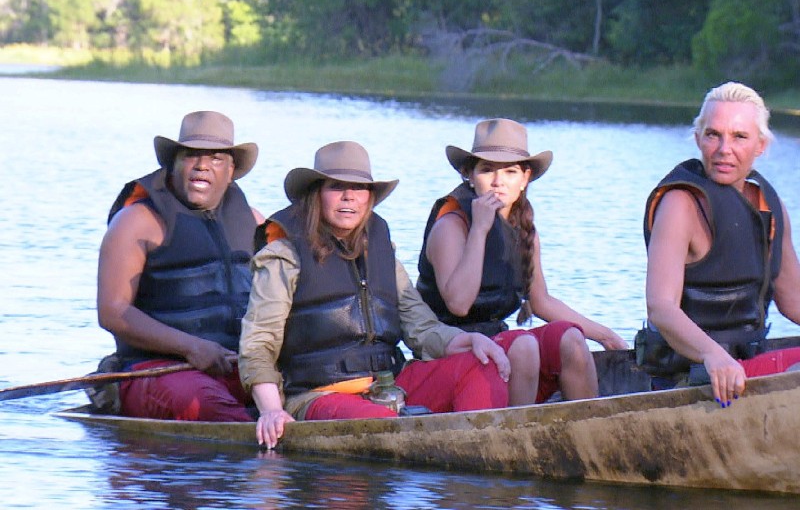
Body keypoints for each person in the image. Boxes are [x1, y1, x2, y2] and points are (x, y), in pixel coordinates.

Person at [238, 141, 512, 448]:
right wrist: (272, 410)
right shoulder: (283, 254)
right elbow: (257, 343)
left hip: (388, 388)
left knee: (481, 365)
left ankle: (477, 454)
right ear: (316, 193)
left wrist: (467, 340)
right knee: (380, 424)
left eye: (359, 188)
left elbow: (421, 328)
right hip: (319, 396)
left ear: (370, 197)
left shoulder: (381, 249)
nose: (349, 197)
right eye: (336, 186)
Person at [416, 118, 628, 406]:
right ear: (469, 175)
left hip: (497, 345)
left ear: (525, 178)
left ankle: (588, 432)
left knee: (570, 338)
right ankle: (518, 439)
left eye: (510, 171)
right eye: (487, 170)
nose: (498, 181)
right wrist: (480, 229)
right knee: (524, 345)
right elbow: (459, 303)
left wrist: (605, 336)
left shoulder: (524, 228)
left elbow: (542, 303)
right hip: (450, 352)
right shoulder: (452, 225)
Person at [97, 110, 264, 421]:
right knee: (205, 404)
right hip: (155, 370)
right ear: (173, 164)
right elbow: (112, 312)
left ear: (230, 171)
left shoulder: (255, 222)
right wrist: (192, 347)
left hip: (237, 367)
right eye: (191, 156)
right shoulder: (135, 222)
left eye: (215, 158)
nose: (202, 165)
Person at [641, 81, 800, 407]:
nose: (724, 148)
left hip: (747, 367)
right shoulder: (680, 204)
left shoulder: (769, 205)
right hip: (695, 375)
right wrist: (713, 355)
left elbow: (793, 300)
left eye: (739, 137)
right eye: (713, 135)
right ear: (698, 139)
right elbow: (661, 308)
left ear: (761, 145)